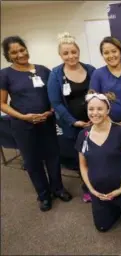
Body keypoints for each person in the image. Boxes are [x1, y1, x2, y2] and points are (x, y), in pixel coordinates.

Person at [0, 36, 72, 212]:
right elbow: (2, 103)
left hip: (47, 122)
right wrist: (24, 117)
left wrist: (51, 110)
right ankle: (44, 194)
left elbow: (54, 95)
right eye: (14, 52)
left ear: (26, 49)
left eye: (22, 49)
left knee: (53, 156)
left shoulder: (43, 70)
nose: (20, 54)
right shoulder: (5, 74)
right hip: (23, 126)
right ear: (8, 55)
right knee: (32, 161)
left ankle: (58, 188)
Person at [75, 90, 121, 232]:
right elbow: (83, 166)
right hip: (99, 192)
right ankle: (112, 207)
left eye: (100, 109)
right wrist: (92, 190)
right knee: (102, 227)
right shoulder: (83, 135)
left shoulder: (120, 132)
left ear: (108, 110)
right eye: (91, 109)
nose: (95, 113)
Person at [47, 32, 95, 203]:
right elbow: (56, 103)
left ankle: (100, 184)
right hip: (74, 125)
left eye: (73, 52)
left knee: (98, 155)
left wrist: (96, 118)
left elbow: (99, 94)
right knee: (81, 157)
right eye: (66, 53)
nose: (71, 56)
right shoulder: (55, 74)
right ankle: (87, 187)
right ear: (60, 55)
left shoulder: (90, 69)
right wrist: (74, 122)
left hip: (95, 122)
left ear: (78, 51)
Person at [89, 36, 121, 139]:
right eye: (106, 53)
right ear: (102, 55)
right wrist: (108, 121)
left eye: (114, 51)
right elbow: (93, 101)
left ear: (120, 52)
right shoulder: (97, 74)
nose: (111, 55)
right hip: (108, 128)